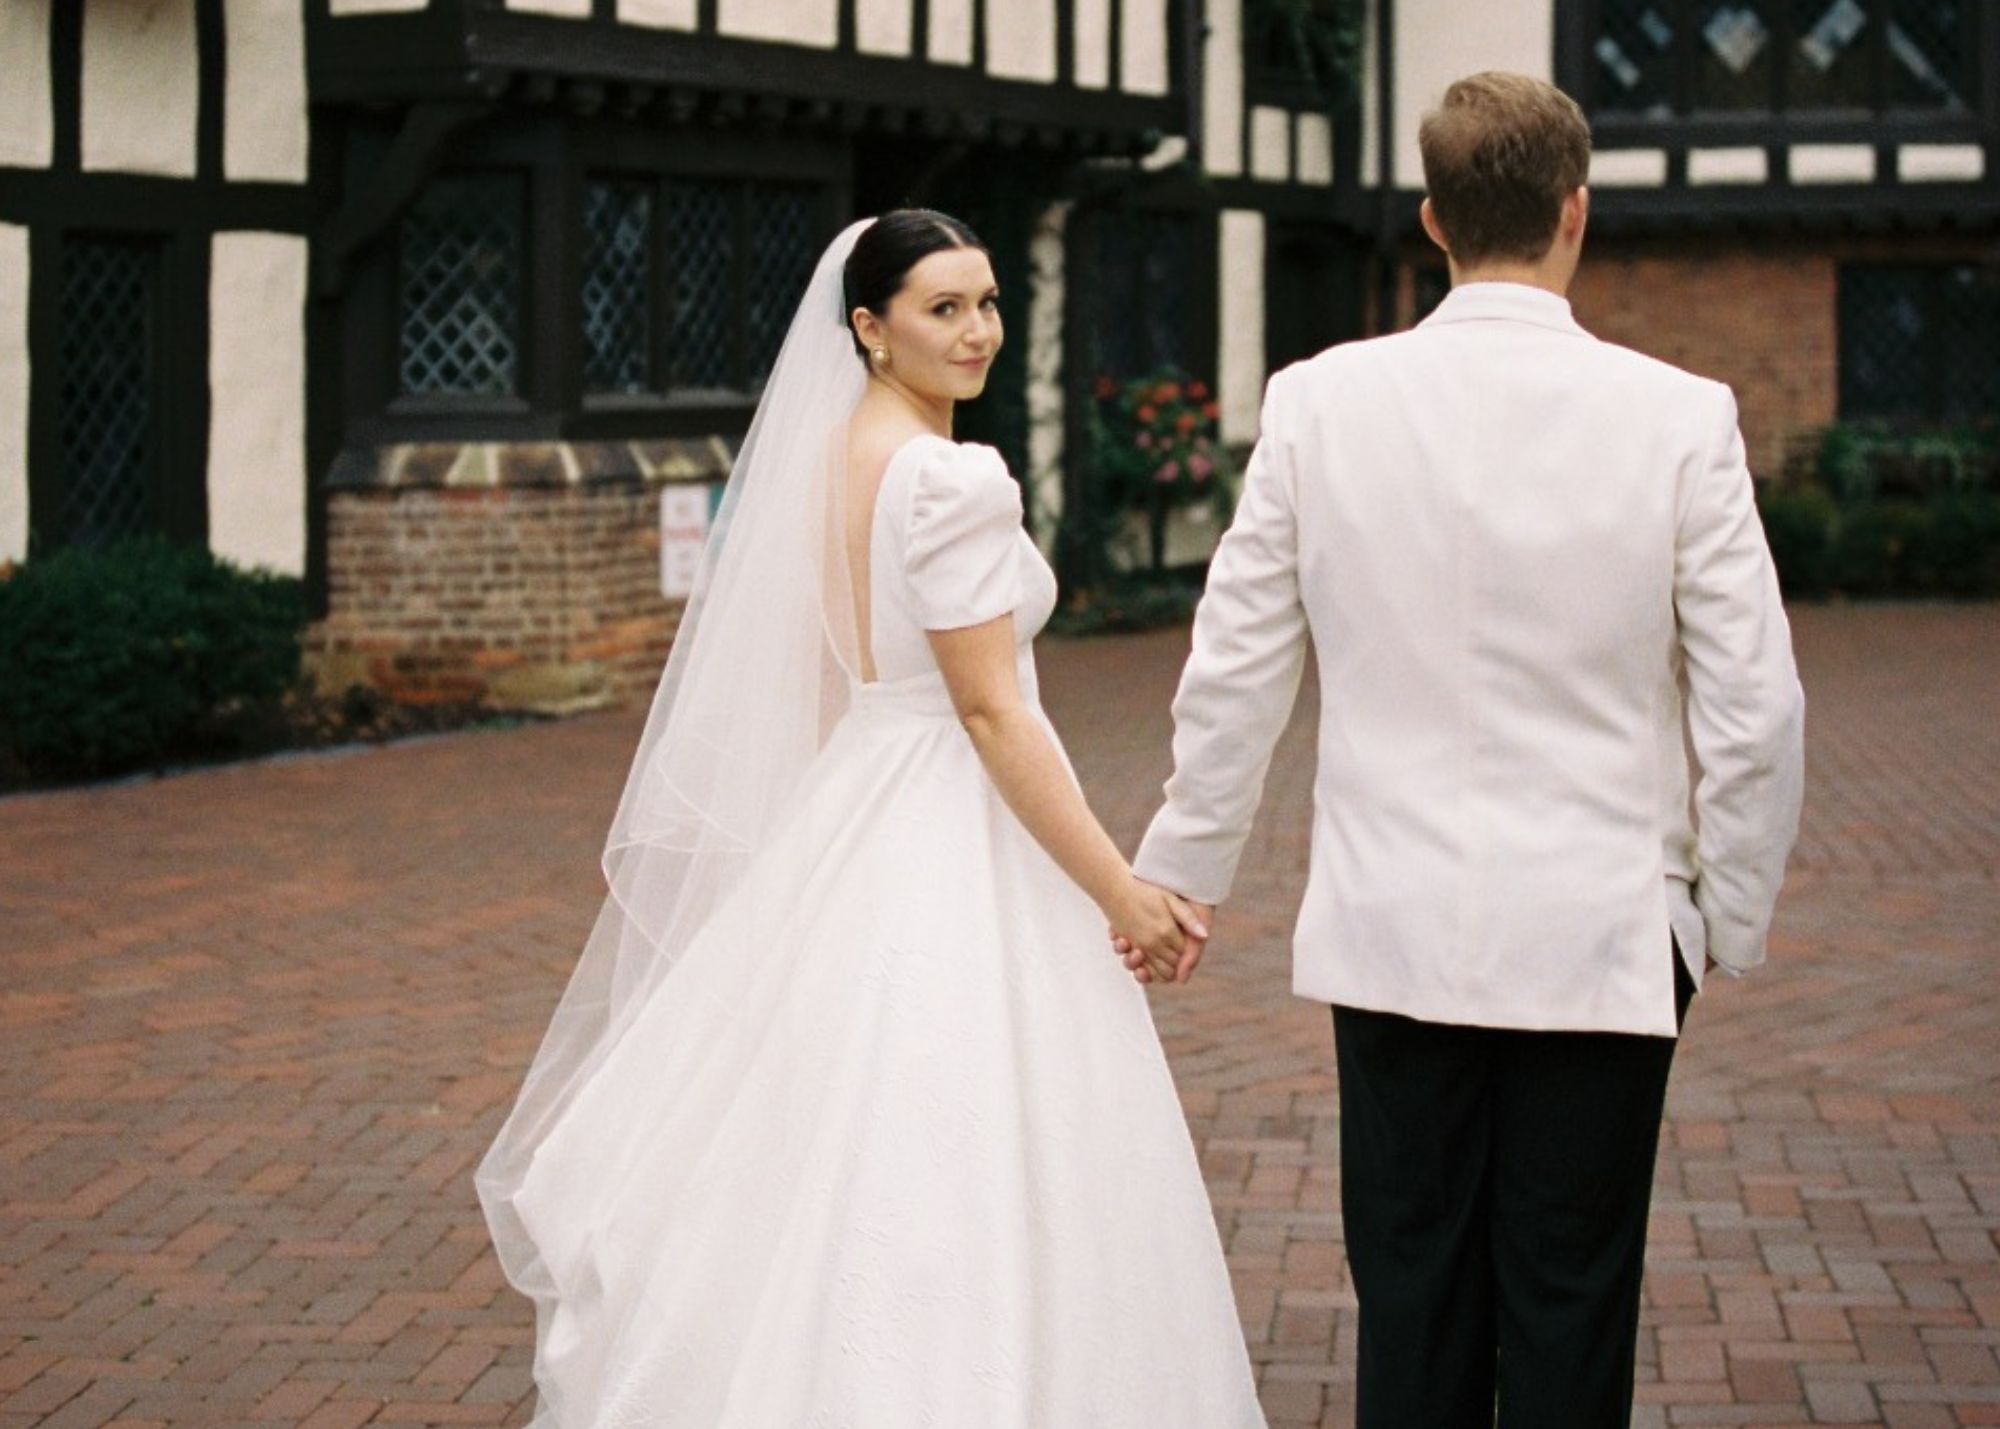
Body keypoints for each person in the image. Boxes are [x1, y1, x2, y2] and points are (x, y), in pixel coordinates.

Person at [474, 209, 1267, 1427]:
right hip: (945, 805)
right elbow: (993, 715)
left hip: (860, 798)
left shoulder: (834, 456)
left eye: (987, 302)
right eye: (940, 308)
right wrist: (1120, 891)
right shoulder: (948, 477)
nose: (976, 331)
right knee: (963, 1147)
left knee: (828, 1144)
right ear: (868, 327)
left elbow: (833, 681)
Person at [1117, 72, 1806, 1427]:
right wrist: (1730, 912)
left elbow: (1238, 664)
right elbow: (1754, 701)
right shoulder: (1680, 417)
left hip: (1395, 925)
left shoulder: (1319, 403)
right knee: (1570, 1295)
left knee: (1415, 1292)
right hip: (1605, 933)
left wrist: (1186, 867)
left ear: (1432, 220)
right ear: (1575, 211)